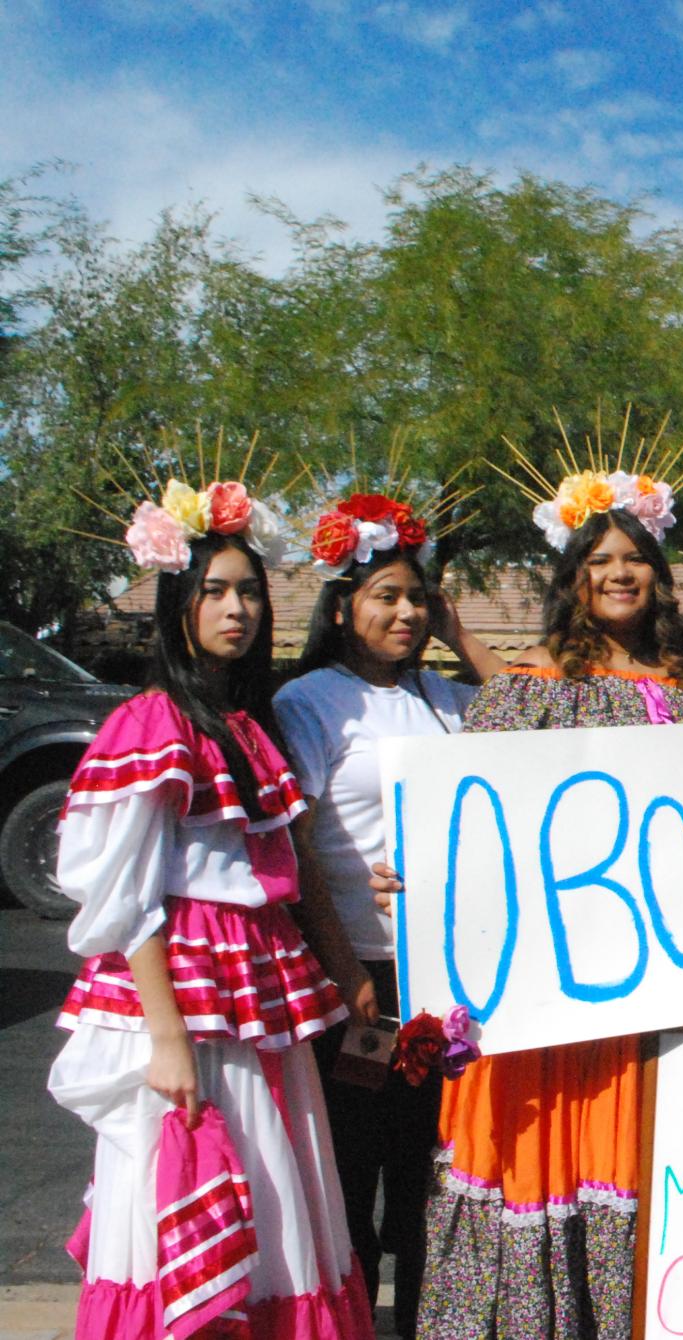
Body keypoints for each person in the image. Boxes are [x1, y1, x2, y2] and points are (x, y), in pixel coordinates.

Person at [48, 476, 372, 1337]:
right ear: (177, 607)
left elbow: (275, 866)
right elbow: (125, 896)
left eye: (250, 593)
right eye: (215, 592)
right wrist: (165, 1038)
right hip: (189, 994)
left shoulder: (244, 724)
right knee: (199, 1179)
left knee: (276, 1187)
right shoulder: (154, 724)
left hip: (253, 983)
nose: (238, 610)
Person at [415, 485, 683, 1337]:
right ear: (573, 579)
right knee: (542, 1144)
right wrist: (415, 882)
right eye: (599, 562)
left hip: (655, 982)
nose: (619, 574)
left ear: (661, 579)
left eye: (634, 560)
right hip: (547, 986)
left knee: (631, 1146)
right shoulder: (526, 688)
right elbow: (465, 821)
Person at [272, 489, 502, 1339]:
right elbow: (295, 844)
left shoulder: (447, 699)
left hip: (445, 976)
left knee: (427, 1176)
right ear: (341, 607)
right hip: (359, 975)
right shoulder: (310, 701)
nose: (405, 613)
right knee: (351, 1171)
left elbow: (532, 711)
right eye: (387, 597)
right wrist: (339, 968)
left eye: (417, 598)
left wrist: (456, 632)